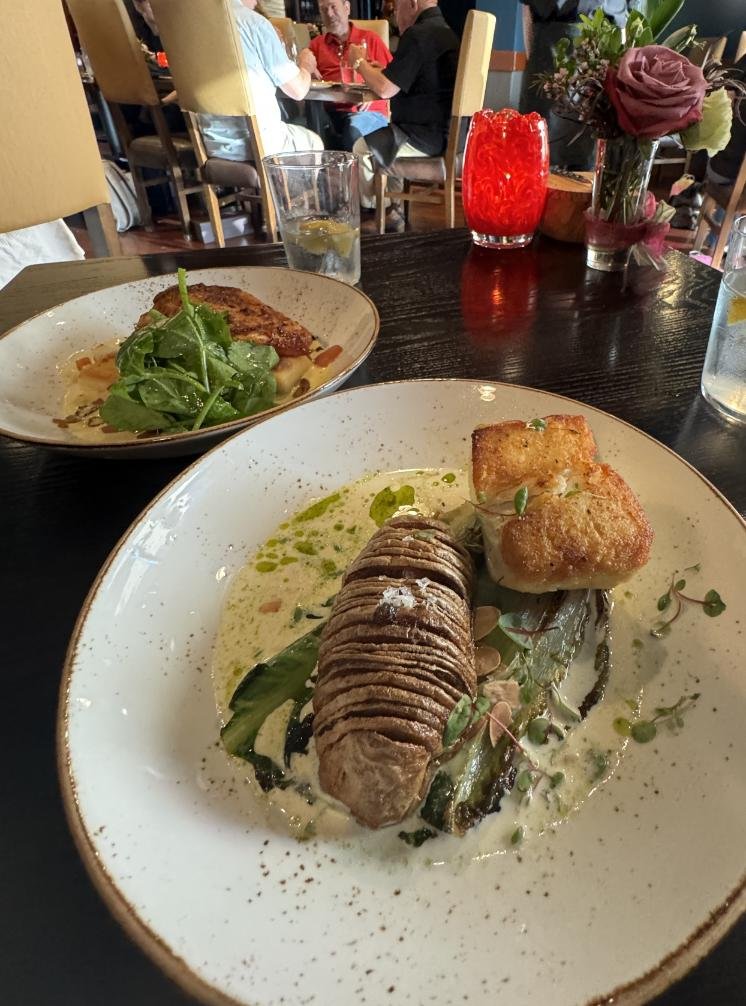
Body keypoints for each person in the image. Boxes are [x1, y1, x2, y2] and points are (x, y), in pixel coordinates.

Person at [348, 0, 459, 214]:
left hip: (425, 138)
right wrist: (387, 72)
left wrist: (358, 62)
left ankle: (375, 211)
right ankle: (394, 210)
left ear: (412, 3)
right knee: (386, 136)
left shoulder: (418, 34)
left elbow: (384, 89)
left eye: (396, 8)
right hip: (451, 136)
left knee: (361, 148)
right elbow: (413, 79)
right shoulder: (445, 31)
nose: (395, 16)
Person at [198, 0, 322, 161]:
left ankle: (270, 186)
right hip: (259, 143)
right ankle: (284, 187)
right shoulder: (253, 22)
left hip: (213, 143)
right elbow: (298, 90)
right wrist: (306, 65)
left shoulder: (197, 27)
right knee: (313, 142)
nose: (257, 2)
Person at [301, 0, 393, 150]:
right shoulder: (316, 45)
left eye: (333, 7)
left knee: (352, 130)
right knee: (308, 125)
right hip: (329, 112)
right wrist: (307, 71)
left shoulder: (370, 39)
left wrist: (374, 91)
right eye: (323, 9)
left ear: (347, 7)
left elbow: (394, 83)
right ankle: (321, 171)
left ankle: (352, 173)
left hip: (367, 112)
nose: (329, 13)